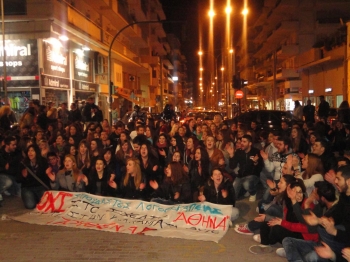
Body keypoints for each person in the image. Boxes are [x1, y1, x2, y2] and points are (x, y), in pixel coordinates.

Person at [227, 135, 264, 201]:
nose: (242, 143)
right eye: (241, 141)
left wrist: (256, 163)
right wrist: (231, 155)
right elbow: (232, 166)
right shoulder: (239, 152)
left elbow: (260, 168)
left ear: (250, 143)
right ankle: (246, 190)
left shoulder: (256, 152)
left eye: (244, 142)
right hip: (241, 176)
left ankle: (253, 192)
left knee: (246, 184)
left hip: (253, 176)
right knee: (233, 196)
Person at [21, 145, 50, 209]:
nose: (30, 153)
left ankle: (36, 197)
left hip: (40, 187)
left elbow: (45, 178)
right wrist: (23, 176)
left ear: (36, 152)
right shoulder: (24, 163)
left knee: (45, 204)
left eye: (32, 151)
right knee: (30, 205)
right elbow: (18, 179)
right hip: (28, 187)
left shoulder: (43, 161)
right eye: (29, 151)